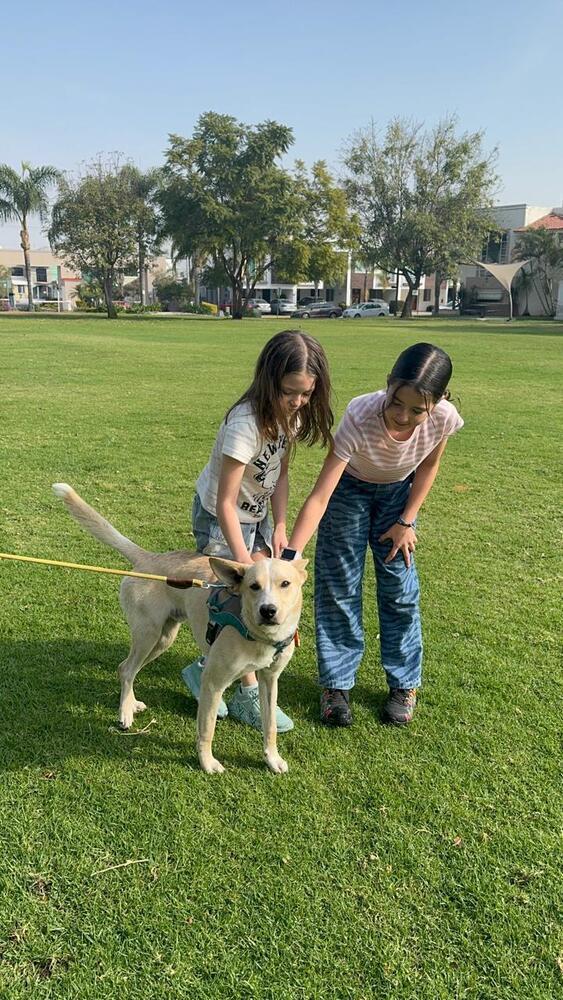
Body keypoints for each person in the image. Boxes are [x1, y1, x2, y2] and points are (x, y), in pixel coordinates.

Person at [284, 342, 463, 727]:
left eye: (418, 410)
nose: (403, 416)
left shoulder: (444, 417)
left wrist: (407, 521)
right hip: (349, 491)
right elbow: (322, 492)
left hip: (399, 496)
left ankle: (404, 685)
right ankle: (336, 685)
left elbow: (429, 465)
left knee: (400, 589)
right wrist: (290, 554)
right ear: (388, 385)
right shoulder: (361, 412)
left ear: (439, 401)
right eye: (397, 402)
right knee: (339, 585)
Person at [182, 329, 333, 731]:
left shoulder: (292, 417)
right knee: (235, 597)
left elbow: (279, 474)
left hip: (258, 512)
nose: (298, 401)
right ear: (269, 381)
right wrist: (243, 560)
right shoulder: (244, 425)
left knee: (265, 591)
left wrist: (281, 523)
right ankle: (248, 692)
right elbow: (224, 501)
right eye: (289, 392)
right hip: (222, 514)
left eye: (306, 394)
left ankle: (206, 668)